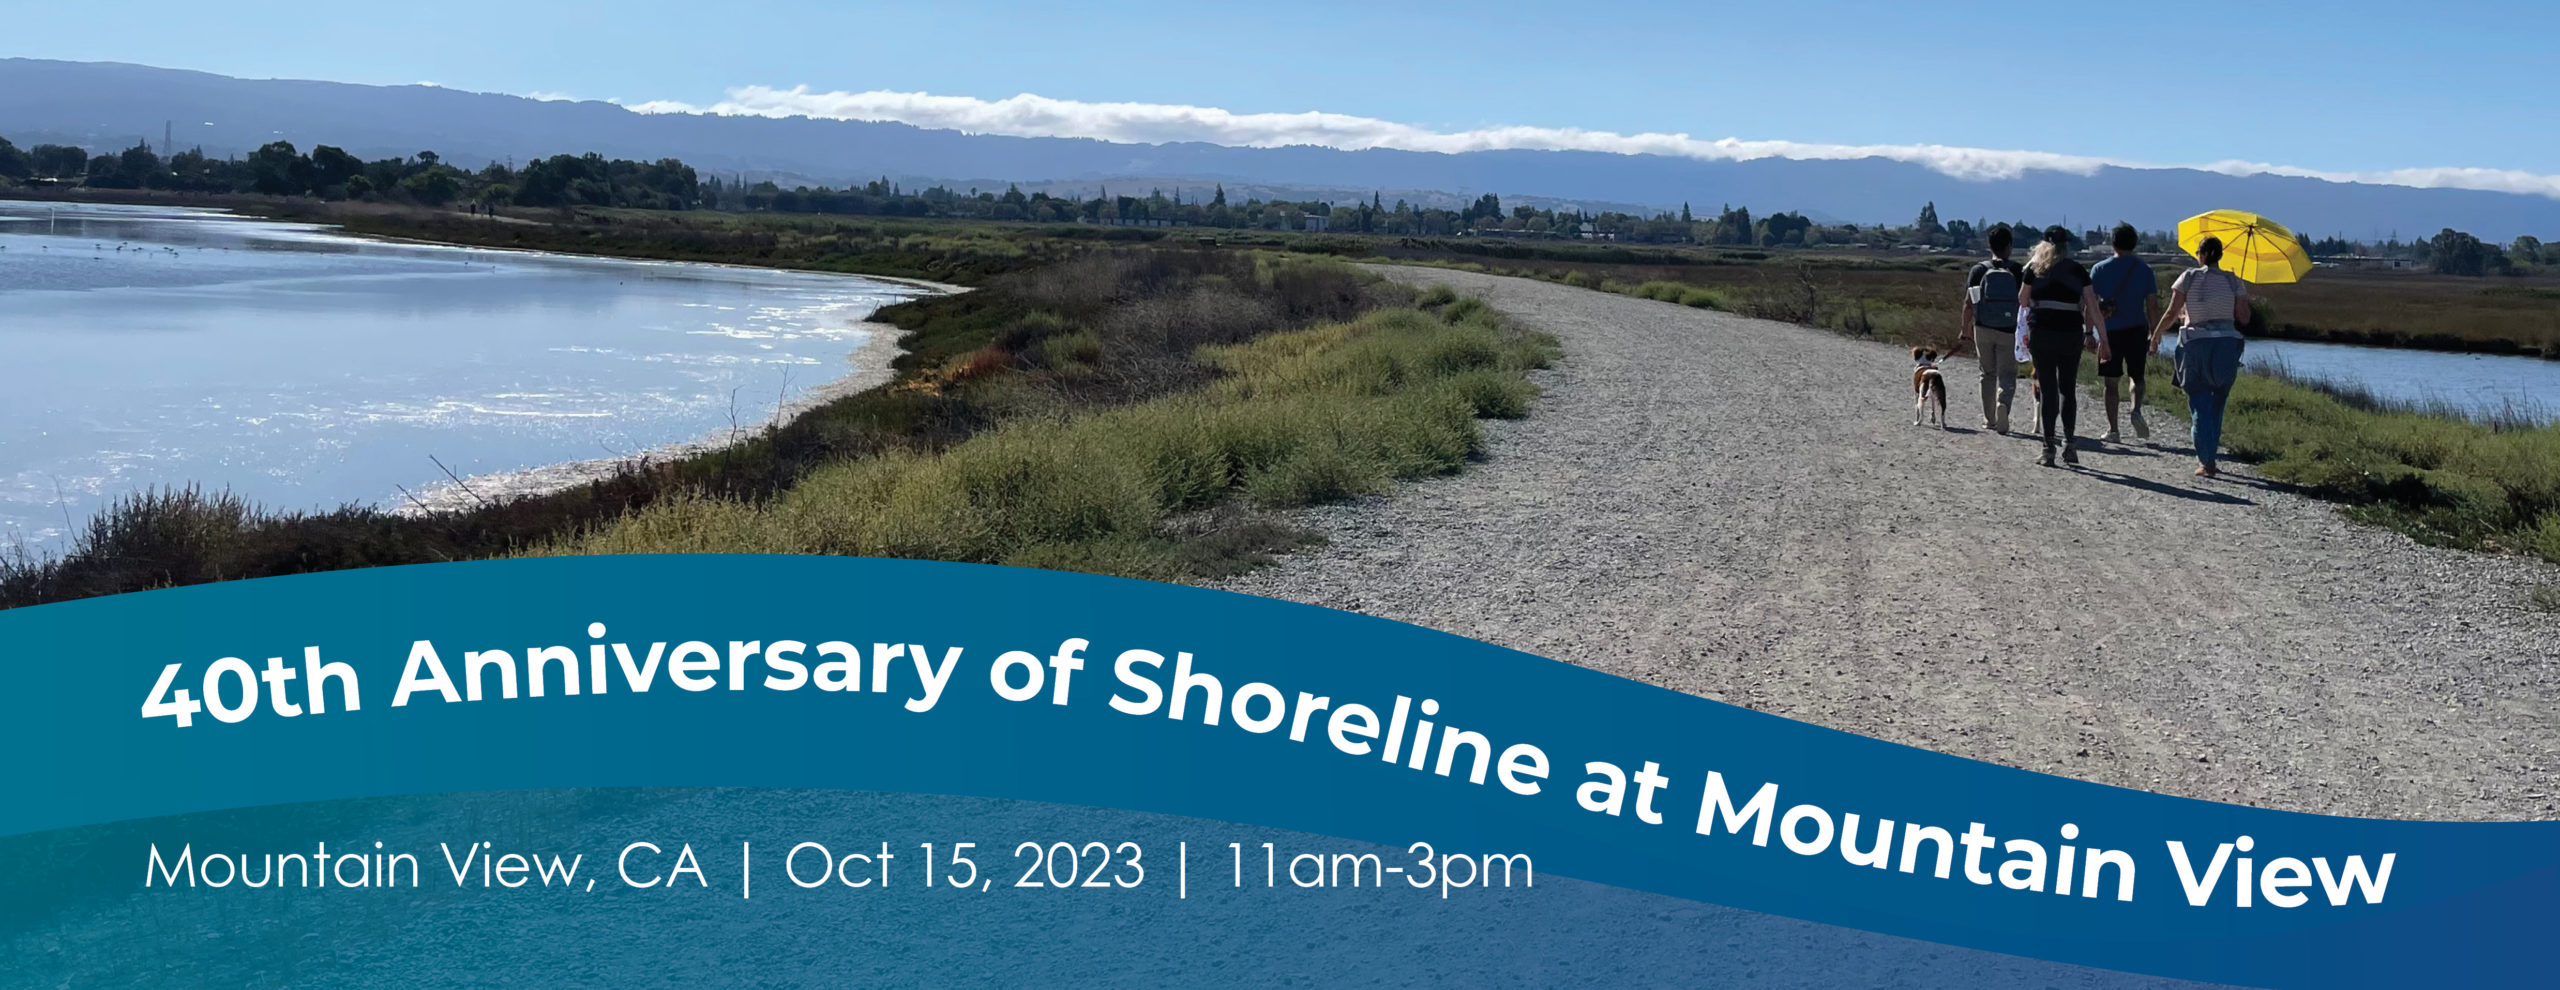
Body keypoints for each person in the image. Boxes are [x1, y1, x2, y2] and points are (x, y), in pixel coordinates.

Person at [2153, 236, 2251, 477]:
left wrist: (2155, 335)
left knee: (2199, 402)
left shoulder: (2189, 277)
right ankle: (2211, 457)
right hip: (2227, 345)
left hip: (2196, 344)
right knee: (2218, 403)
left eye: (2197, 251)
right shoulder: (2232, 280)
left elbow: (2171, 312)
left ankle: (2206, 461)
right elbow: (2244, 318)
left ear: (2203, 254)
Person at [2017, 226, 2106, 467]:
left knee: (2047, 389)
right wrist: (2103, 340)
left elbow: (2023, 300)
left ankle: (2048, 448)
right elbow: (2092, 307)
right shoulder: (2078, 270)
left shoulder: (2034, 269)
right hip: (2070, 333)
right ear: (2066, 245)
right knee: (2068, 388)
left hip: (2042, 332)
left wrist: (2038, 301)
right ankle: (2070, 443)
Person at [2087, 223, 2159, 442]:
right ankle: (2136, 410)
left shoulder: (2099, 269)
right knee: (2137, 376)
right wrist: (2155, 334)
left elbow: (2090, 304)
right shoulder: (2145, 270)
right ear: (2135, 244)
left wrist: (2088, 332)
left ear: (2112, 243)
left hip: (2110, 333)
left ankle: (2113, 430)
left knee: (2111, 382)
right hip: (2137, 328)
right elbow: (2152, 306)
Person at [1955, 224, 2025, 432]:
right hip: (2009, 329)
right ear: (2009, 246)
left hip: (1983, 328)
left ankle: (1989, 419)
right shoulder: (2016, 270)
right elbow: (2025, 303)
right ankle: (2003, 403)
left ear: (1990, 245)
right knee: (2007, 372)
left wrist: (1965, 329)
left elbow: (1969, 303)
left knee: (1987, 373)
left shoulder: (1979, 270)